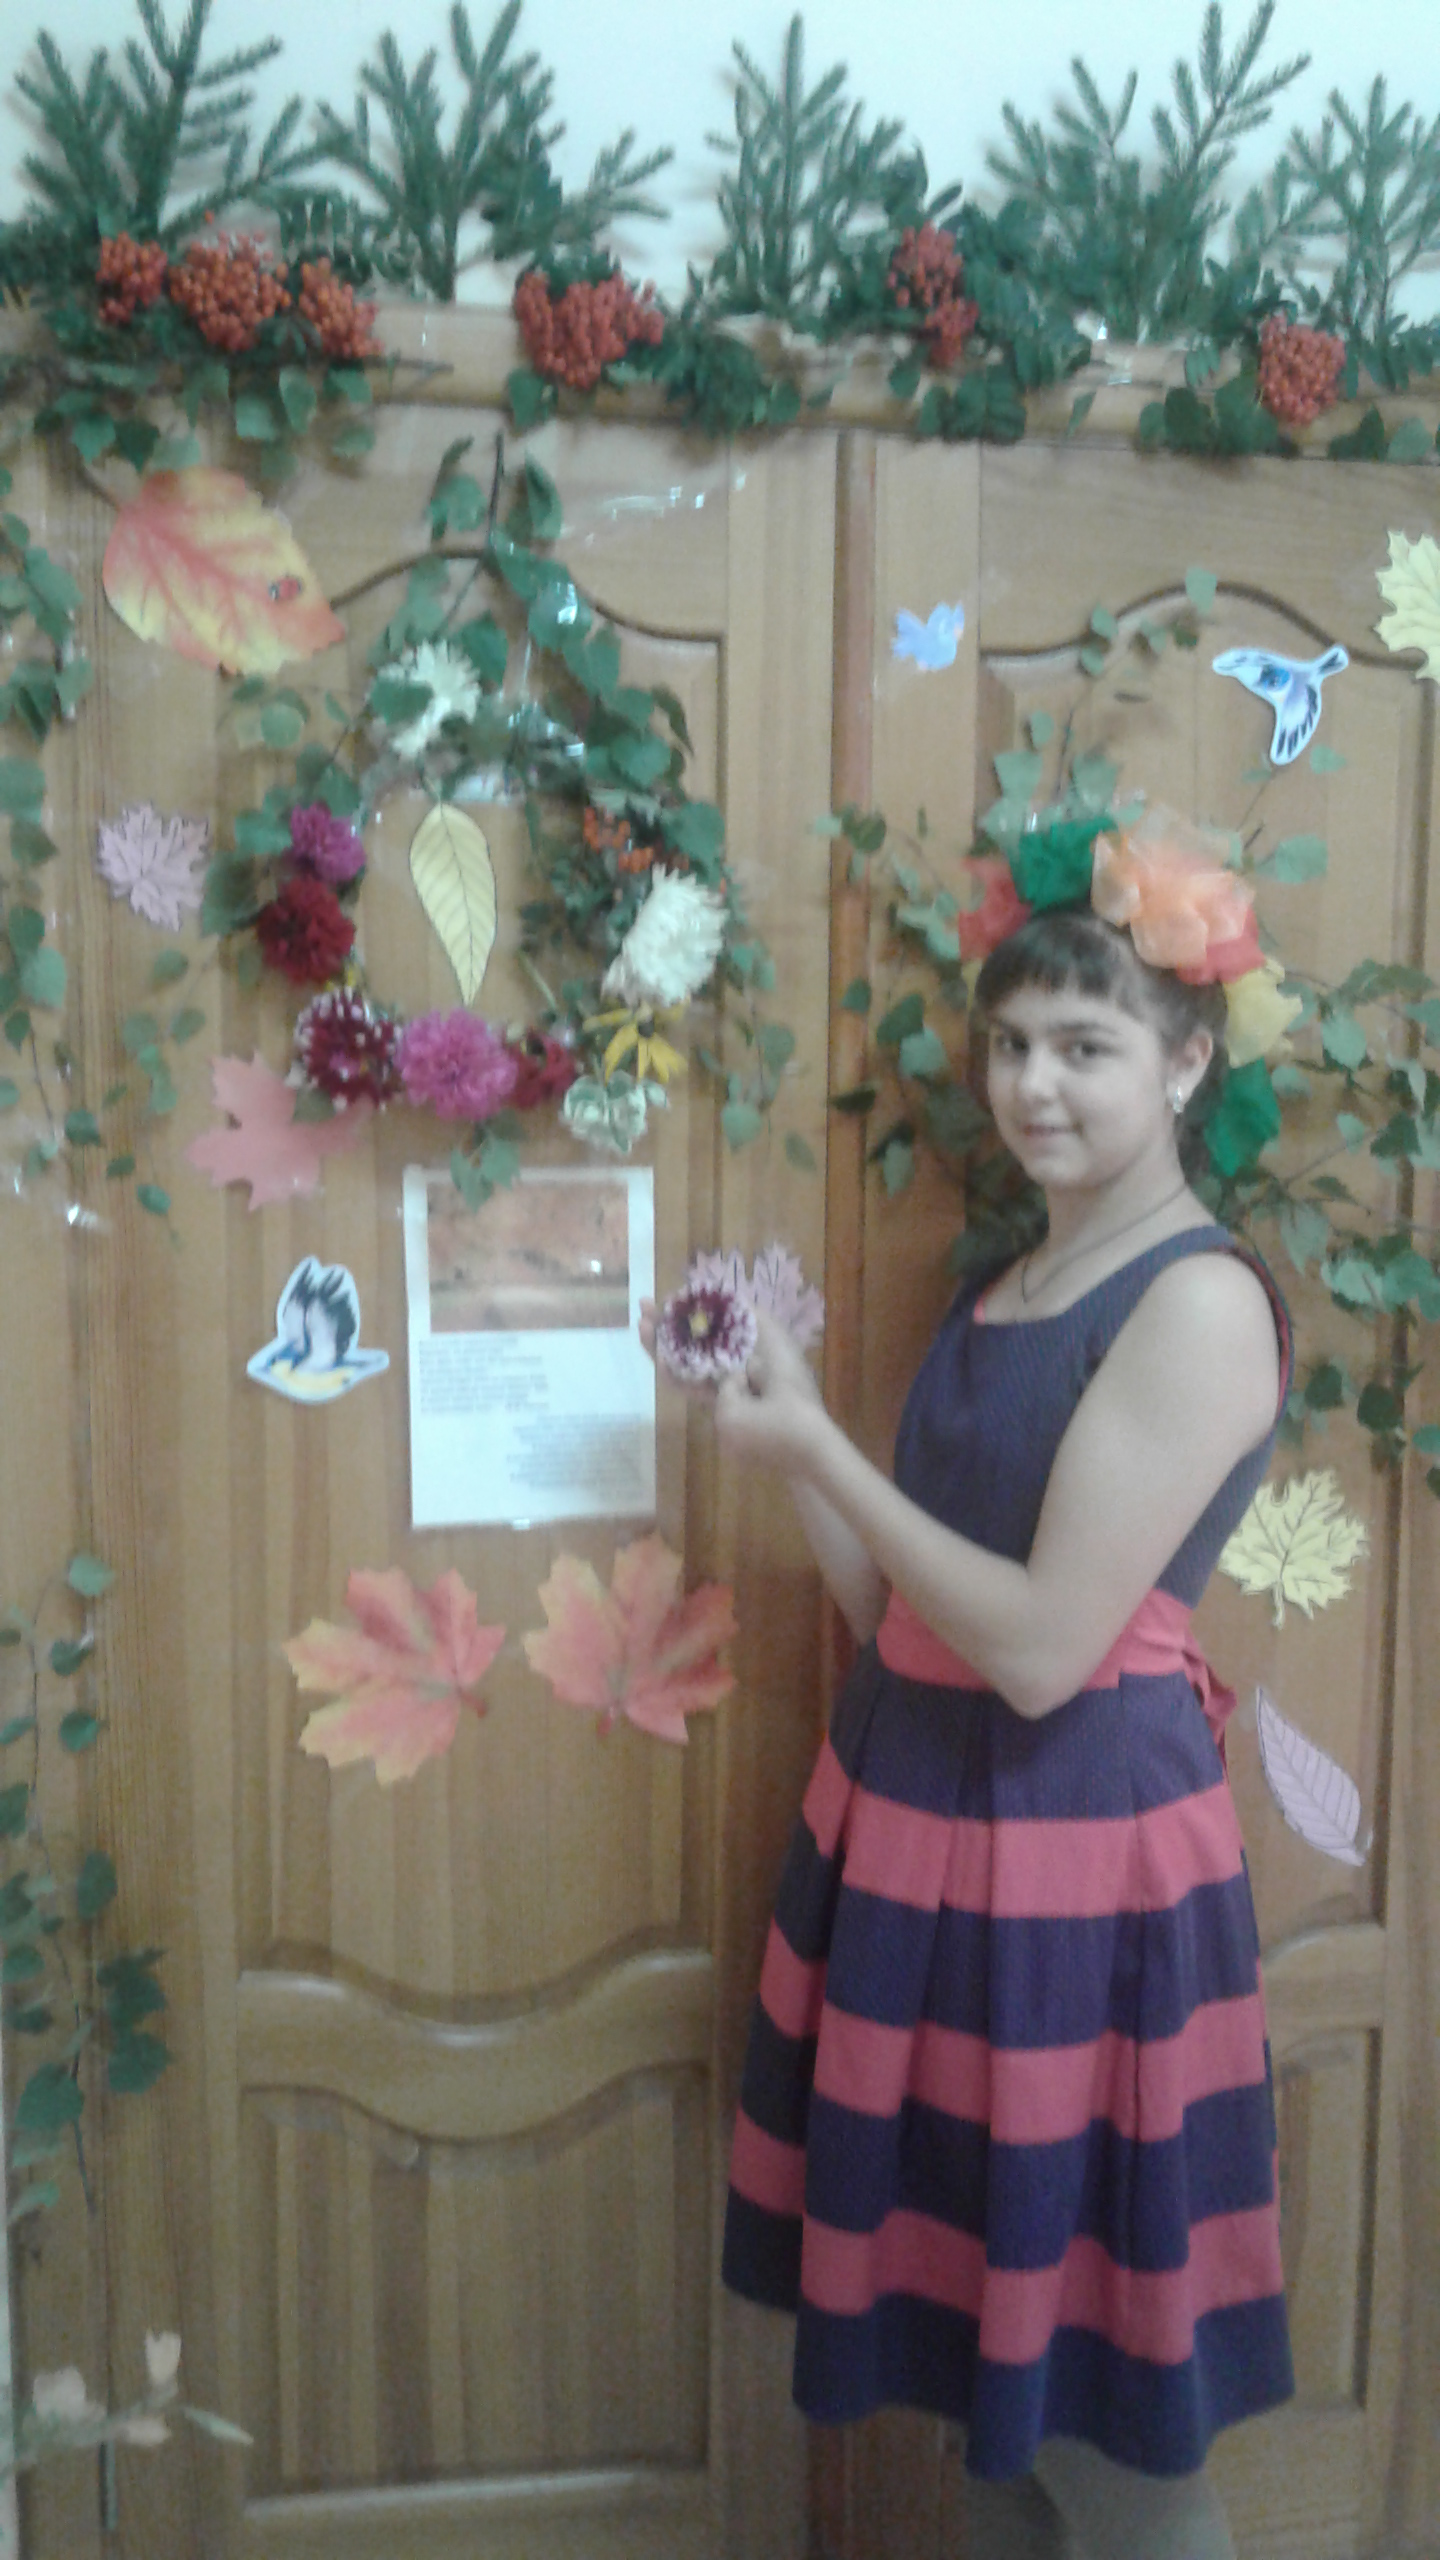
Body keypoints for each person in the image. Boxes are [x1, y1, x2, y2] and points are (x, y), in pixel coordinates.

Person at [687, 875, 1296, 2560]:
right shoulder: (1011, 1282)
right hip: (926, 1841)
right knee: (990, 2399)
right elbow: (903, 1624)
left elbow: (1038, 1652)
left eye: (1086, 1045)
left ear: (1186, 1061)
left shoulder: (1198, 1301)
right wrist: (800, 1442)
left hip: (1080, 1872)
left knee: (1112, 2431)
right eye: (1012, 1042)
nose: (1033, 1083)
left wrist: (824, 1453)